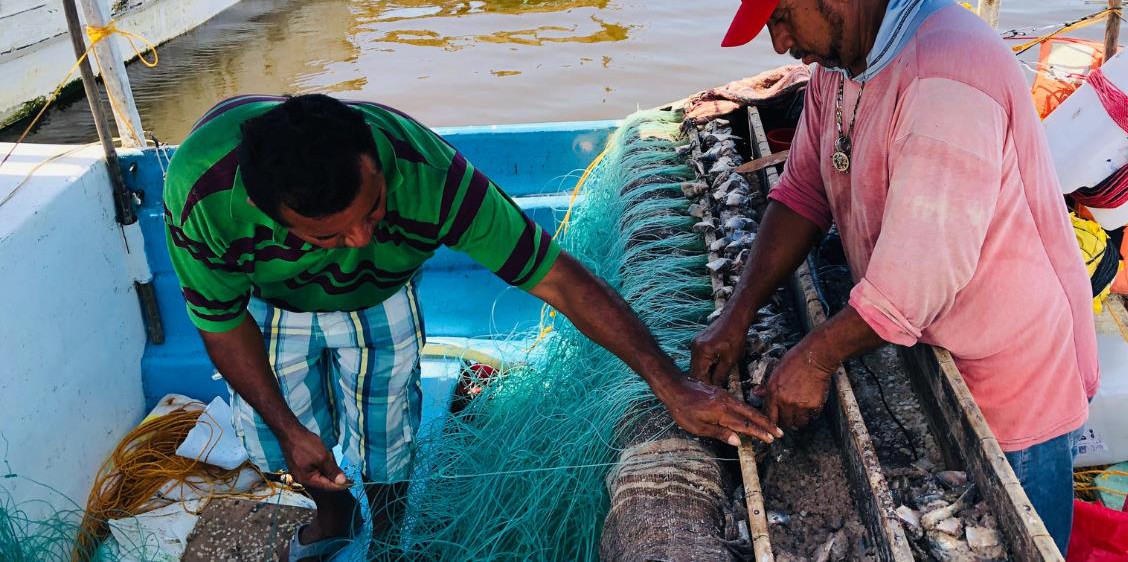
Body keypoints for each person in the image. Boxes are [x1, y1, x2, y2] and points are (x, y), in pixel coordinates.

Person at [163, 94, 781, 560]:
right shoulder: (203, 194)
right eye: (327, 235)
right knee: (286, 444)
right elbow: (220, 322)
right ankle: (333, 517)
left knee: (388, 432)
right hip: (269, 306)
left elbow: (557, 278)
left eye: (373, 209)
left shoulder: (428, 172)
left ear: (375, 164)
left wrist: (671, 385)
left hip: (381, 296)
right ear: (268, 213)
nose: (357, 240)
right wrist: (290, 428)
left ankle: (388, 535)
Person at [688, 0, 1098, 553]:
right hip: (930, 344)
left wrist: (812, 357)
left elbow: (913, 283)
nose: (781, 42)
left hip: (1010, 394)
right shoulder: (845, 62)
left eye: (782, 16)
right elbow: (801, 193)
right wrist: (736, 315)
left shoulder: (946, 75)